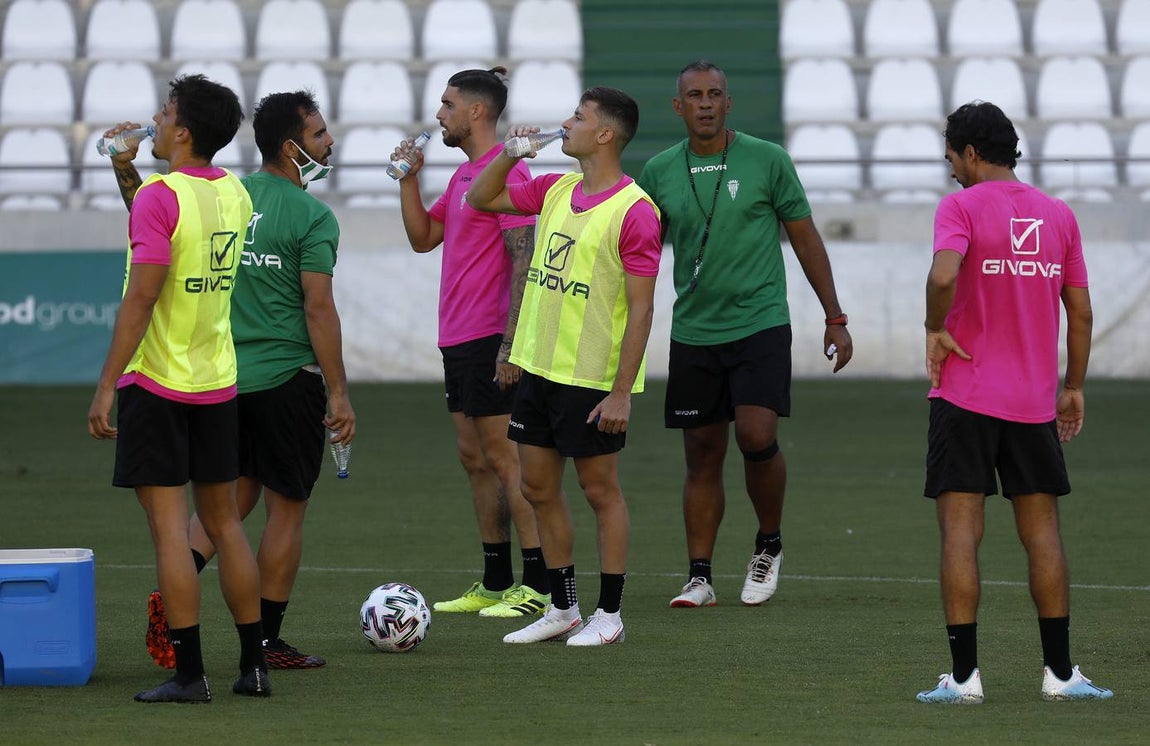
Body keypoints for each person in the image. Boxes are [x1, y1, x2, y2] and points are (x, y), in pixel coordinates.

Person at [113, 91, 356, 671]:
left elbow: (152, 219)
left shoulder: (226, 194)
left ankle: (175, 592)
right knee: (284, 509)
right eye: (320, 136)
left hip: (220, 375)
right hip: (284, 376)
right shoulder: (312, 216)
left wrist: (123, 166)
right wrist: (341, 391)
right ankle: (266, 644)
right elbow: (318, 309)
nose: (329, 145)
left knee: (233, 498)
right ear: (292, 147)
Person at [636, 60, 853, 609]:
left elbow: (805, 239)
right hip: (694, 330)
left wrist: (835, 315)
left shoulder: (768, 160)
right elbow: (636, 252)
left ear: (729, 103)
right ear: (678, 107)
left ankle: (768, 544)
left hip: (759, 322)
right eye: (694, 95)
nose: (705, 103)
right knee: (702, 453)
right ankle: (699, 577)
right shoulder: (659, 171)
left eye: (715, 94)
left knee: (756, 435)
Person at [915, 101, 1112, 704]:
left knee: (959, 532)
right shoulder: (1057, 214)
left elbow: (944, 276)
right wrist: (1072, 385)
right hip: (1032, 403)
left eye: (951, 157)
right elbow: (1079, 310)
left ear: (970, 154)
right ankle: (1060, 674)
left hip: (966, 395)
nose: (950, 170)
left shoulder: (961, 206)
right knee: (1043, 532)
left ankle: (966, 679)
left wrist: (933, 326)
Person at [87, 74, 270, 702]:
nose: (155, 123)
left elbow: (144, 290)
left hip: (159, 380)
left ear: (183, 129)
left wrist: (107, 384)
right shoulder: (237, 195)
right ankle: (254, 667)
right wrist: (127, 173)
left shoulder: (159, 196)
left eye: (164, 114)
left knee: (171, 531)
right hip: (217, 380)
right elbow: (169, 220)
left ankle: (191, 675)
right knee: (225, 526)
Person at [467, 86, 662, 646]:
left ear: (605, 134)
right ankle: (565, 607)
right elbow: (482, 198)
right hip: (540, 368)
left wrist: (622, 392)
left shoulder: (635, 211)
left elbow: (643, 309)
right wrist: (508, 154)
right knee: (537, 487)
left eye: (578, 117)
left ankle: (611, 614)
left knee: (601, 491)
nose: (565, 123)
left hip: (592, 378)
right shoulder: (556, 188)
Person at [392, 67, 549, 618]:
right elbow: (422, 238)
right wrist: (408, 177)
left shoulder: (507, 173)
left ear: (476, 112)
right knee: (475, 460)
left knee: (509, 461)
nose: (439, 115)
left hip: (490, 339)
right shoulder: (463, 179)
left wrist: (511, 346)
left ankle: (537, 586)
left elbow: (525, 262)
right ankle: (495, 578)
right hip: (457, 339)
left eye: (447, 104)